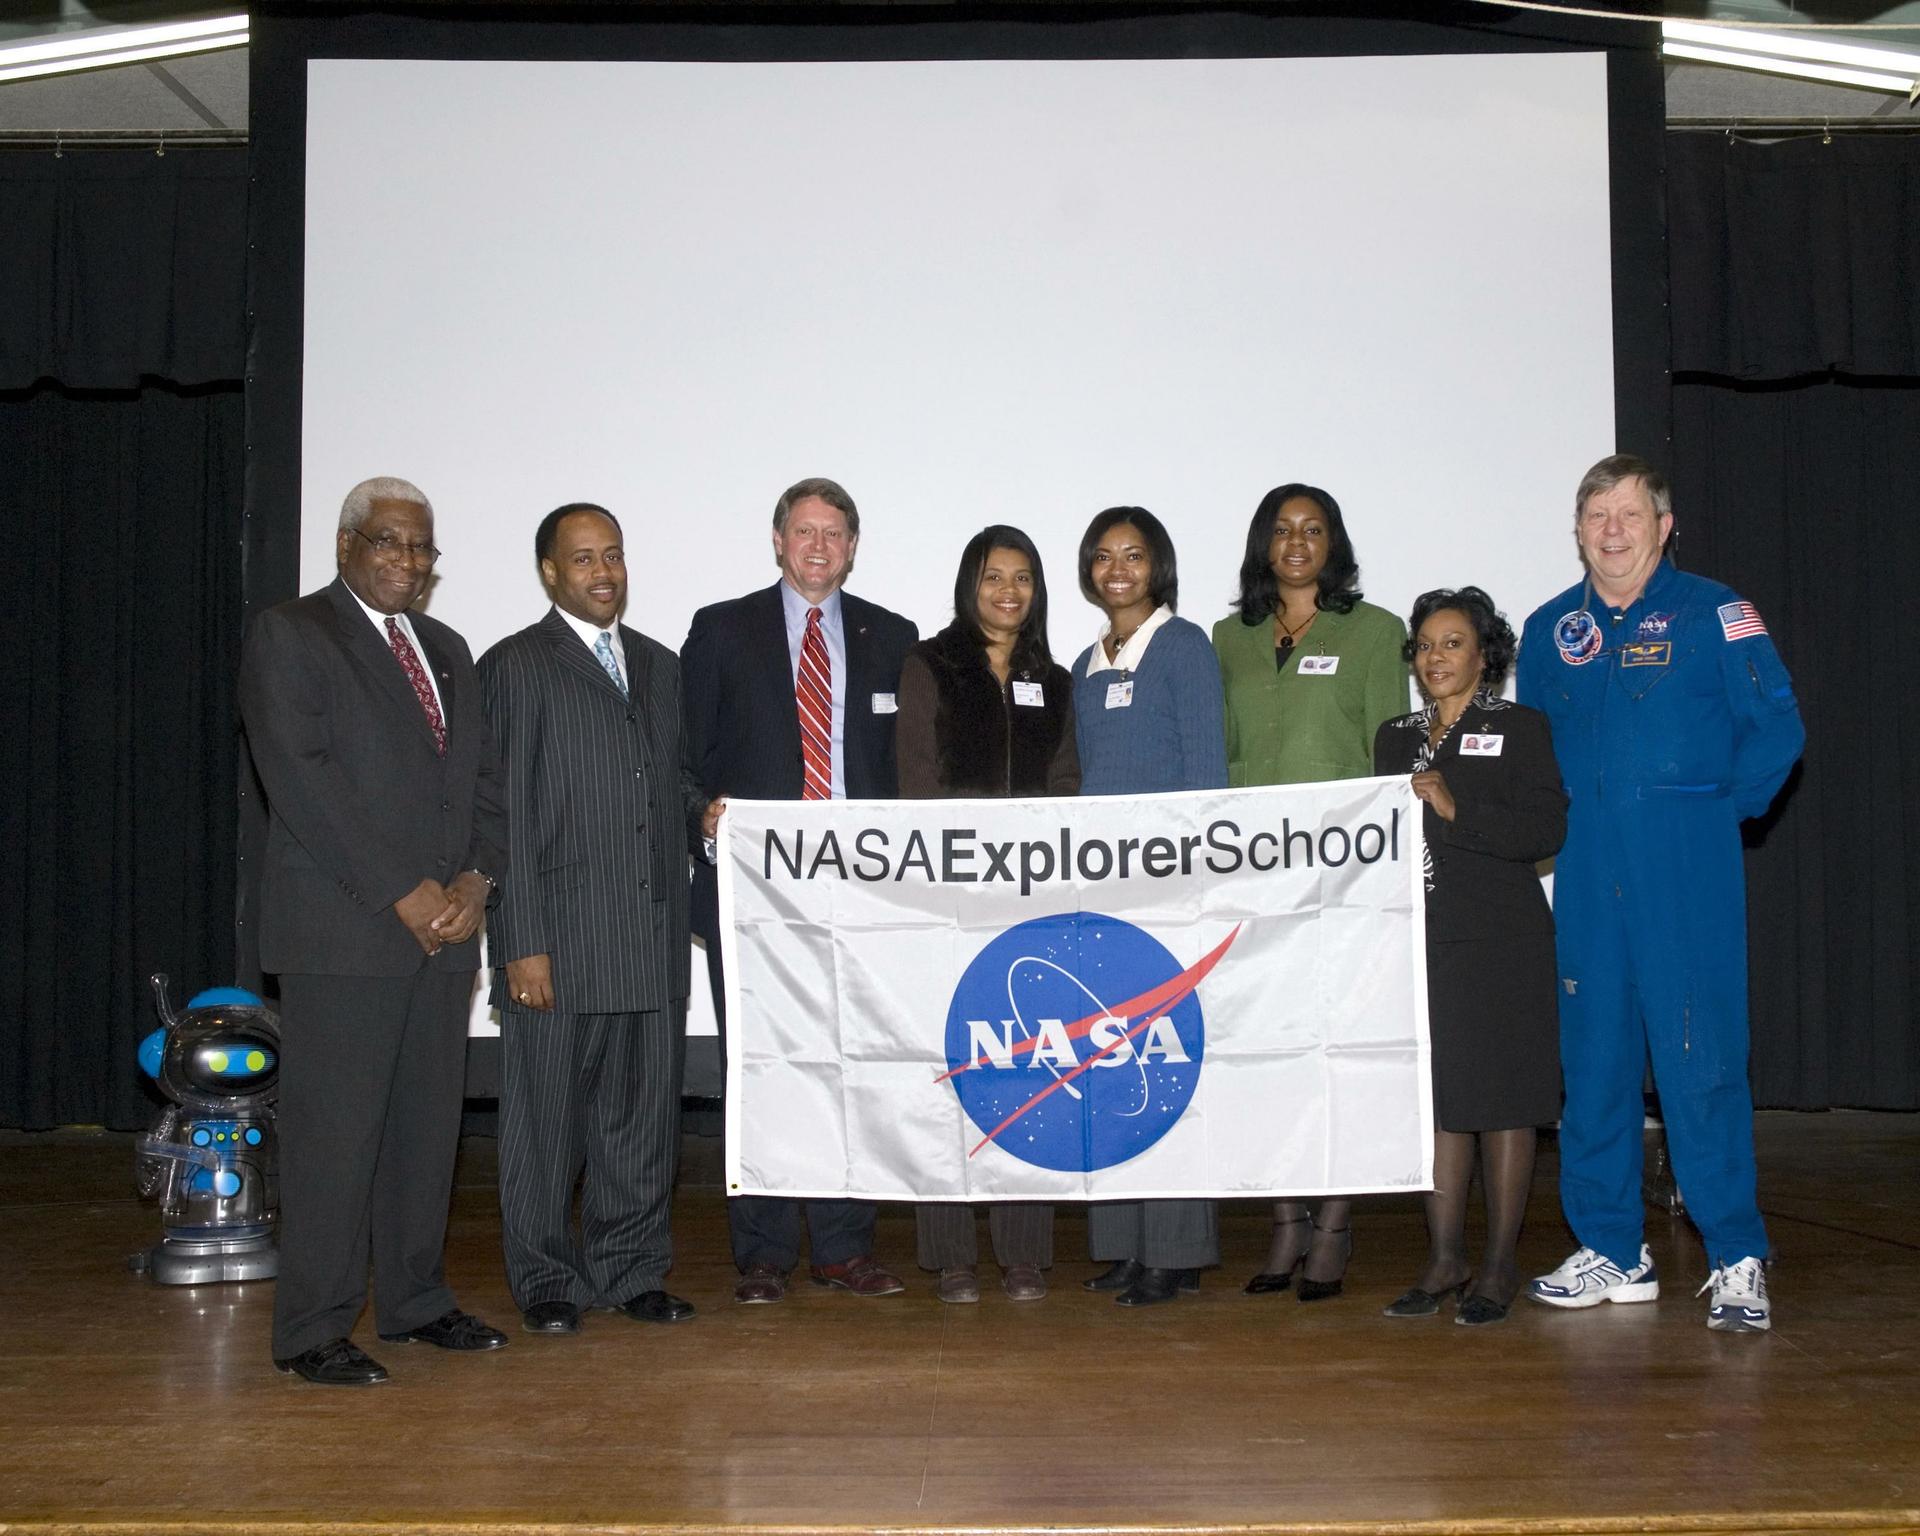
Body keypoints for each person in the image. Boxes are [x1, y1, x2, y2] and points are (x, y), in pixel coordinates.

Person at [1518, 453, 1803, 1332]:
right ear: (1577, 531)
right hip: (1587, 878)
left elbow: (1776, 728)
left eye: (1630, 514)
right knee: (1593, 1066)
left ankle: (1736, 1256)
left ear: (1664, 527)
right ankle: (1613, 1248)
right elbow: (1537, 757)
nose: (1613, 531)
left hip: (1686, 875)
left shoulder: (1715, 612)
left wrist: (1712, 816)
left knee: (1699, 1060)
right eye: (1596, 515)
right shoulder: (1548, 629)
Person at [237, 476, 509, 1386]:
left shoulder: (448, 647)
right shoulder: (292, 633)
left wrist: (475, 882)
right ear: (346, 544)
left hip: (447, 933)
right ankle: (311, 1328)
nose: (407, 559)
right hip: (345, 934)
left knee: (423, 1137)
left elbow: (481, 783)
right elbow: (301, 777)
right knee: (334, 1140)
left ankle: (415, 1301)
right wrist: (404, 892)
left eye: (421, 546)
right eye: (389, 541)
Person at [681, 477, 919, 1305]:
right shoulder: (721, 629)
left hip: (859, 895)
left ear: (853, 548)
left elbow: (905, 772)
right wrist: (700, 814)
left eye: (834, 533)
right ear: (779, 540)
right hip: (754, 894)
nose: (819, 546)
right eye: (804, 531)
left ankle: (845, 1248)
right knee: (762, 1068)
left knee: (854, 1065)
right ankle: (763, 1252)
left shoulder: (893, 637)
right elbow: (684, 756)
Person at [477, 503, 703, 1336]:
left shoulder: (660, 665)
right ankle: (545, 1280)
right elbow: (503, 814)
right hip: (558, 944)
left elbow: (675, 781)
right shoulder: (514, 665)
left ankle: (632, 1270)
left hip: (651, 937)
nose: (603, 572)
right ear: (549, 572)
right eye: (583, 559)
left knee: (641, 1125)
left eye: (612, 555)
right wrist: (519, 943)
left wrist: (706, 815)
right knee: (544, 1126)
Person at [1212, 482, 1407, 1301]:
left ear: (1334, 544)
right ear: (1263, 543)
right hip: (1252, 880)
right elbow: (1219, 759)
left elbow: (1390, 757)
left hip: (1342, 879)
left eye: (1313, 529)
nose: (1297, 542)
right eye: (1283, 529)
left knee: (1335, 1052)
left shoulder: (1377, 632)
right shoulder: (1228, 638)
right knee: (1268, 1052)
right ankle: (1285, 1218)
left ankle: (1333, 1221)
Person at [1374, 588, 1567, 1327]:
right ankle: (1445, 1257)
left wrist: (1459, 810)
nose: (1436, 657)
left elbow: (1546, 828)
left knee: (1504, 1104)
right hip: (1423, 939)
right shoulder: (1395, 738)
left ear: (1486, 655)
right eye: (1426, 645)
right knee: (1441, 1103)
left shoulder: (1518, 727)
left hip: (1503, 940)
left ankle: (1497, 1265)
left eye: (1453, 643)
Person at [898, 525, 1080, 1304]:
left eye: (1023, 578)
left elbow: (1067, 786)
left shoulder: (1056, 681)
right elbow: (915, 784)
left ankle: (1024, 1251)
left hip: (1031, 904)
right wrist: (957, 879)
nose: (1009, 592)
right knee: (950, 1072)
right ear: (969, 584)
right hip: (949, 900)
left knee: (1028, 1071)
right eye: (993, 577)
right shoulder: (930, 665)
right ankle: (951, 1254)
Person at [1070, 507, 1227, 1307]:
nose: (1118, 570)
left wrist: (1196, 887)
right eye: (1103, 556)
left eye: (1133, 555)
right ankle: (1127, 1245)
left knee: (1165, 1067)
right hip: (1104, 896)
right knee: (1110, 1066)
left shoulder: (1184, 647)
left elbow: (1207, 778)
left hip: (1168, 894)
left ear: (1157, 565)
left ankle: (1175, 1250)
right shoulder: (1085, 663)